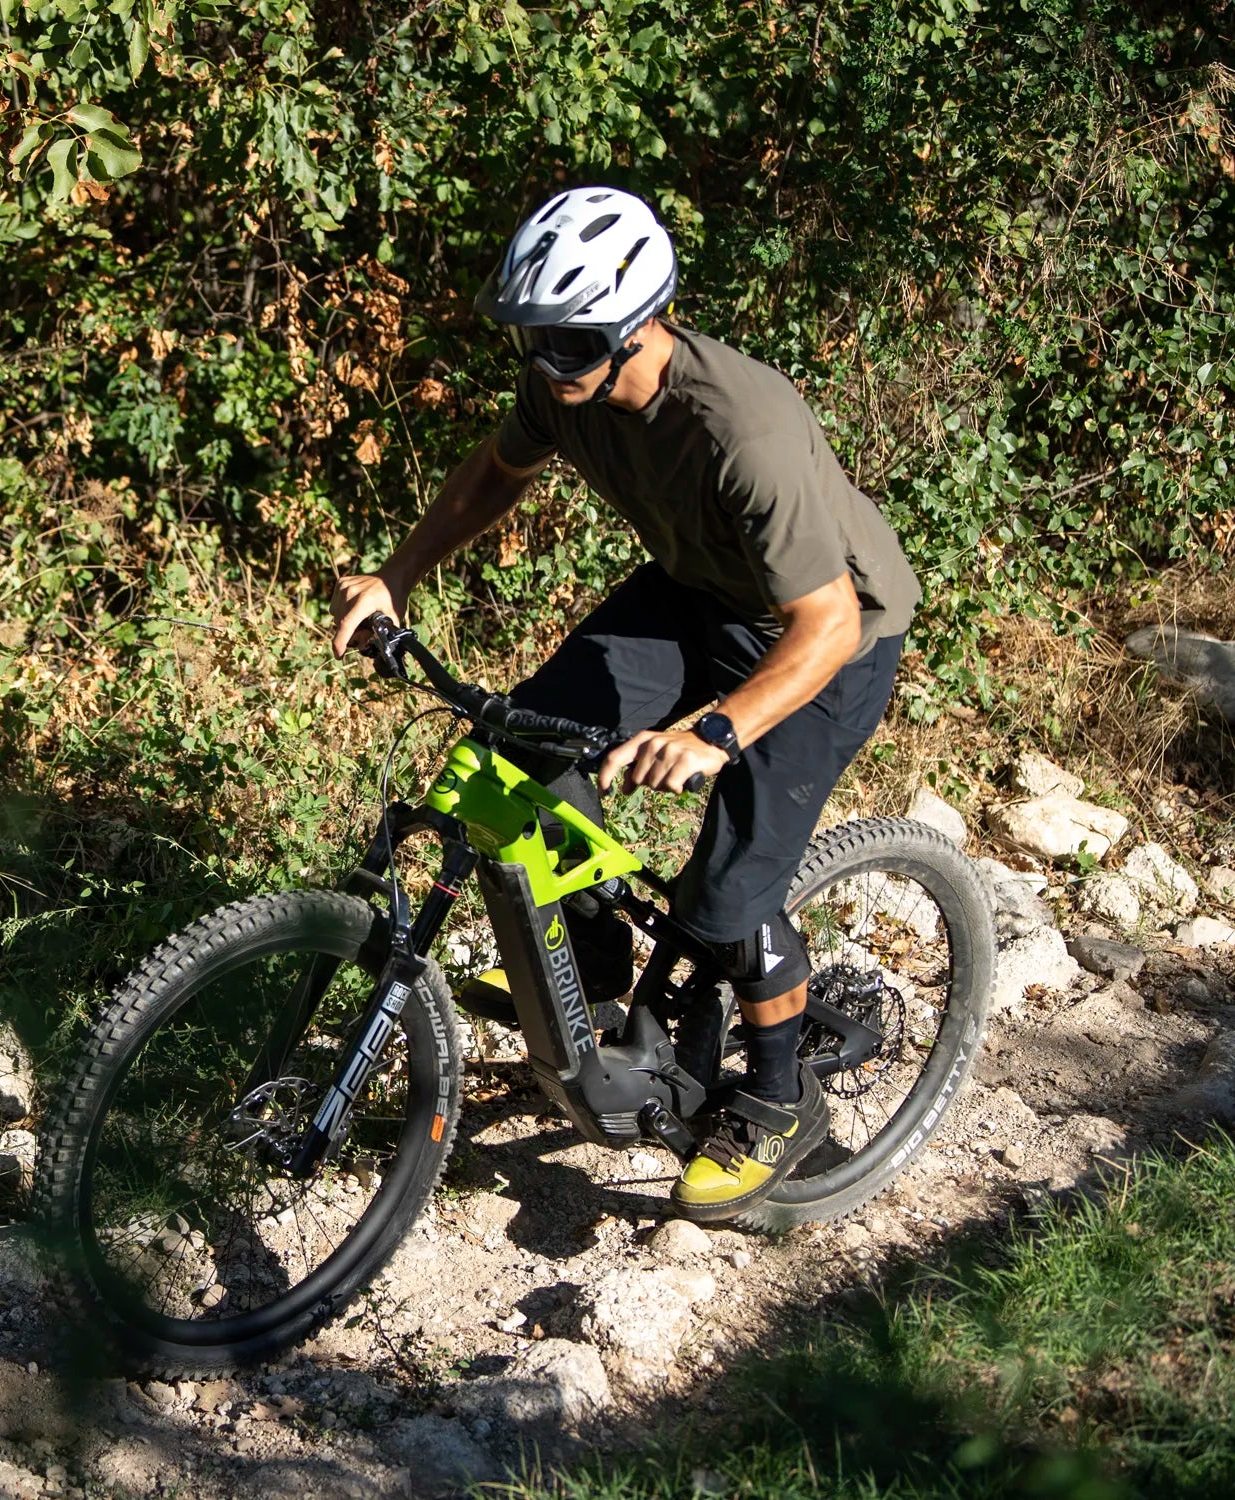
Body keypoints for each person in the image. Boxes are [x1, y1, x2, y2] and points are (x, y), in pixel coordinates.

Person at [330, 186, 920, 1219]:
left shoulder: (744, 429)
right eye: (533, 341)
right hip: (695, 593)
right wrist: (399, 575)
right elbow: (492, 476)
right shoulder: (568, 386)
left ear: (634, 325)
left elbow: (821, 625)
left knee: (725, 898)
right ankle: (592, 979)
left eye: (564, 344)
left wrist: (718, 729)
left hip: (828, 635)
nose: (543, 366)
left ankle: (776, 1107)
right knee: (521, 751)